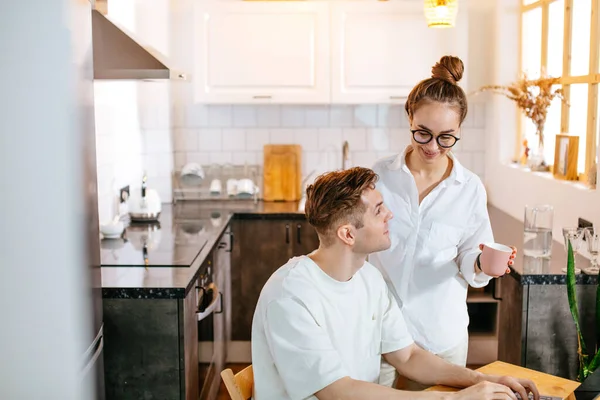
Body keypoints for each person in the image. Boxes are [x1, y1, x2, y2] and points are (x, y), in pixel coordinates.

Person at [251, 167, 537, 400]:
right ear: (348, 235)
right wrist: (457, 398)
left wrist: (483, 378)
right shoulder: (290, 295)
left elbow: (408, 356)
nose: (390, 215)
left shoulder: (369, 278)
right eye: (378, 211)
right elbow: (338, 391)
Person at [370, 55, 516, 379]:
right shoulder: (378, 177)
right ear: (409, 117)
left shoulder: (470, 189)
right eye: (422, 133)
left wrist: (481, 264)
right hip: (378, 334)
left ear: (459, 129)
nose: (433, 147)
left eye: (446, 137)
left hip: (440, 338)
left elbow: (468, 255)